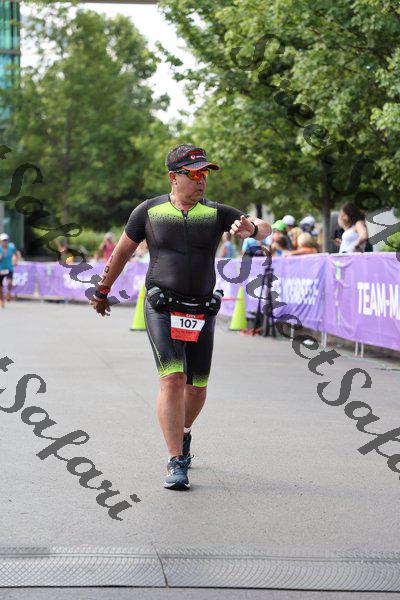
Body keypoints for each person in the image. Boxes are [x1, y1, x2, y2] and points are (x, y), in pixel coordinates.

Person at [89, 144, 271, 491]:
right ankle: (176, 459)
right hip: (162, 306)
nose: (202, 180)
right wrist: (102, 290)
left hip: (201, 308)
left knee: (197, 388)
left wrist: (252, 227)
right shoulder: (148, 211)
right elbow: (122, 252)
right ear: (174, 177)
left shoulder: (217, 213)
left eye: (205, 174)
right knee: (173, 378)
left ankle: (183, 432)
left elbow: (265, 228)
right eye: (195, 174)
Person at [0, 233, 19, 307]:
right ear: (0, 241)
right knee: (0, 287)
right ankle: (2, 300)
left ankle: (8, 292)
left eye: (6, 240)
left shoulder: (11, 248)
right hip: (1, 269)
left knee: (9, 282)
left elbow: (16, 254)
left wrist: (16, 260)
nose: (5, 242)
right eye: (3, 240)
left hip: (9, 268)